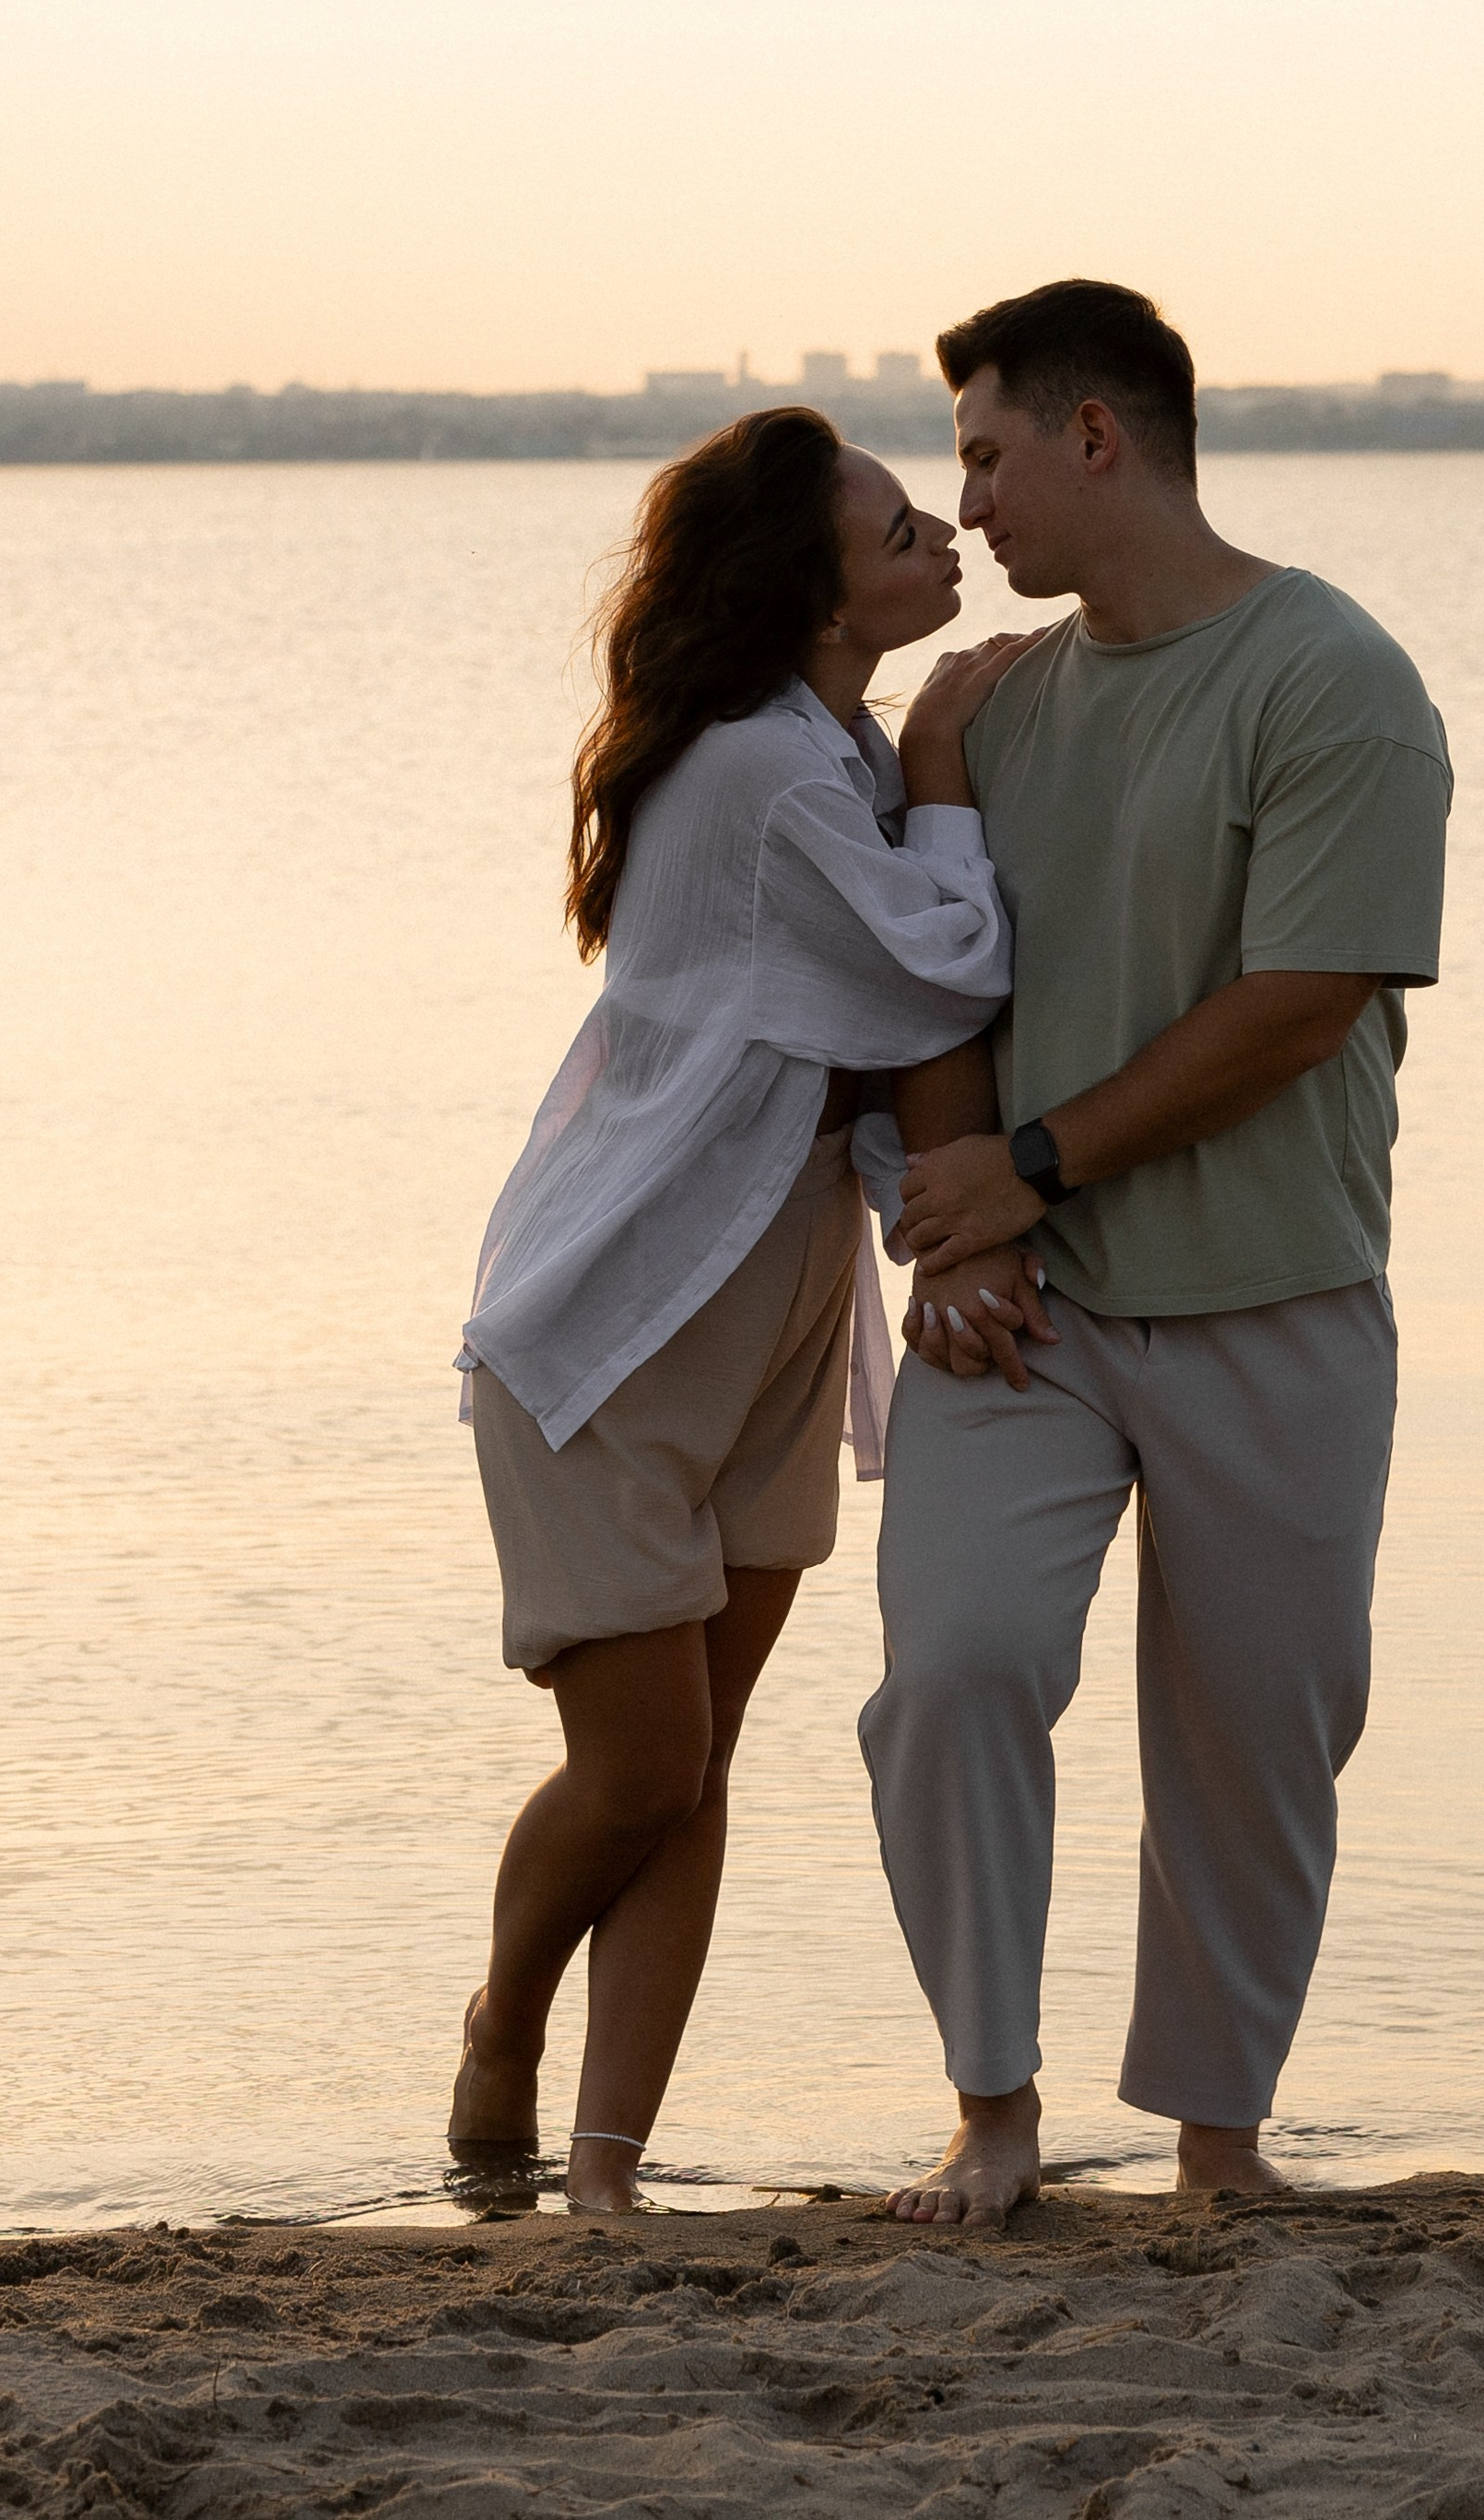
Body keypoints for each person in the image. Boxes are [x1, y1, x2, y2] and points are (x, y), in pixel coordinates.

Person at [858, 279, 1452, 2229]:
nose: (972, 508)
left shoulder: (1328, 672)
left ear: (1095, 436)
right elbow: (926, 965)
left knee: (1257, 1730)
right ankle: (992, 2100)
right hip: (1023, 1312)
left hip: (1274, 1293)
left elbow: (1302, 992)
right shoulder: (985, 703)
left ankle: (1218, 2138)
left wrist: (1030, 1160)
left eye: (986, 454)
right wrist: (955, 1203)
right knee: (953, 1669)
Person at [449, 404, 1034, 2214]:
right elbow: (950, 959)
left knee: (692, 1773)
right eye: (894, 521)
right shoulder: (771, 772)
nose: (938, 532)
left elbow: (858, 1052)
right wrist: (948, 754)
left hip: (774, 1311)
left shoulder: (824, 750)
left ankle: (609, 2171)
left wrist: (934, 1233)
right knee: (642, 1766)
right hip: (616, 1323)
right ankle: (503, 2022)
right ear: (809, 579)